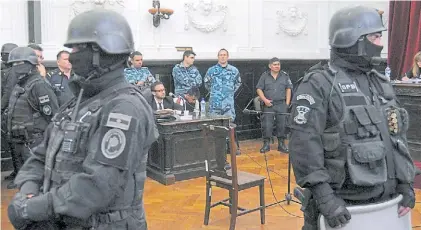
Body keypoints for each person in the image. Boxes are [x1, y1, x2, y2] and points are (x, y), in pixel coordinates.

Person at [8, 9, 158, 230]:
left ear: (100, 52)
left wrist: (36, 208)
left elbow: (97, 185)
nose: (71, 55)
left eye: (77, 48)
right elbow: (42, 153)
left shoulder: (125, 108)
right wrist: (28, 188)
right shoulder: (78, 101)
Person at [289, 6, 416, 230]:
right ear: (354, 38)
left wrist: (405, 185)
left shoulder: (381, 83)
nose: (381, 43)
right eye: (376, 36)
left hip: (386, 206)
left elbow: (396, 139)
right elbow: (304, 147)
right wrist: (325, 199)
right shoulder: (319, 84)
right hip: (343, 209)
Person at [5, 47, 59, 189]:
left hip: (34, 144)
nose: (16, 68)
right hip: (19, 143)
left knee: (36, 184)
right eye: (13, 65)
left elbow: (53, 117)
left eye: (19, 63)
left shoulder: (39, 86)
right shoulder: (19, 85)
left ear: (30, 64)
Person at [256, 57, 292, 153]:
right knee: (267, 125)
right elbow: (259, 89)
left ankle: (281, 144)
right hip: (268, 104)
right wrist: (265, 100)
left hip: (281, 104)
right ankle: (266, 144)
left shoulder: (285, 76)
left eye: (278, 64)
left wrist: (287, 103)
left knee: (282, 125)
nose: (277, 66)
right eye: (275, 64)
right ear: (270, 66)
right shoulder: (264, 76)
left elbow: (288, 89)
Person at [204, 48, 241, 121]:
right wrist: (215, 92)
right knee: (214, 126)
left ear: (227, 57)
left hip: (228, 105)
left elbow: (238, 83)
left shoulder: (234, 70)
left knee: (229, 126)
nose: (222, 57)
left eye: (224, 55)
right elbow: (207, 84)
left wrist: (229, 92)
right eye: (221, 55)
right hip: (214, 105)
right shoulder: (211, 70)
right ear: (218, 57)